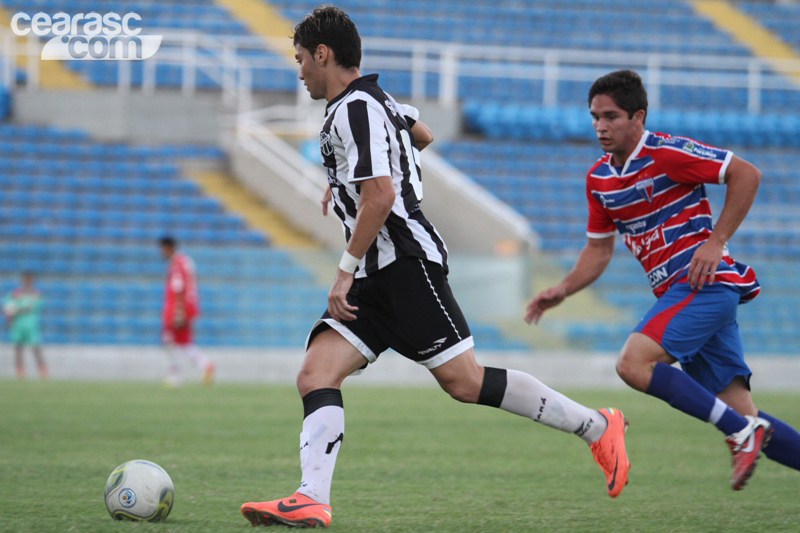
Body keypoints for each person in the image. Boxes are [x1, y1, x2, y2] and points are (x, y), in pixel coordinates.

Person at [240, 6, 631, 529]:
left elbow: (381, 195)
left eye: (301, 60)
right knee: (315, 373)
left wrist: (344, 268)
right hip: (378, 273)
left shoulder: (355, 107)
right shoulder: (378, 101)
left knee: (465, 382)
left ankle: (596, 427)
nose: (300, 71)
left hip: (403, 263)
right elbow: (420, 134)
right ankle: (311, 496)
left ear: (323, 54)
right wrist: (347, 184)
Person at [527, 69, 800, 491]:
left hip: (705, 285)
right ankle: (743, 430)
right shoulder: (599, 179)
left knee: (633, 364)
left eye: (611, 116)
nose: (601, 126)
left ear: (638, 117)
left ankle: (739, 434)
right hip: (686, 294)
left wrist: (716, 241)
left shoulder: (667, 153)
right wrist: (563, 289)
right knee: (746, 415)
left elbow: (746, 174)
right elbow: (599, 250)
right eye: (595, 117)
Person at [158, 236, 214, 386]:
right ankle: (205, 365)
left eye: (162, 249)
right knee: (183, 342)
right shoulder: (185, 261)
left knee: (169, 341)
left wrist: (178, 313)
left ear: (168, 248)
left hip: (177, 309)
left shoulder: (176, 264)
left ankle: (175, 376)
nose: (161, 253)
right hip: (187, 307)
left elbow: (178, 288)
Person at [3, 271, 47, 379]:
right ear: (22, 281)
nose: (28, 282)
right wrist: (9, 316)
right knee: (18, 348)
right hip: (18, 325)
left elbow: (33, 306)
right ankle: (20, 370)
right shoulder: (15, 294)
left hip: (31, 325)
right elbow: (7, 306)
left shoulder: (35, 294)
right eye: (26, 280)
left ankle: (42, 370)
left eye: (29, 280)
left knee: (36, 348)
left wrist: (17, 309)